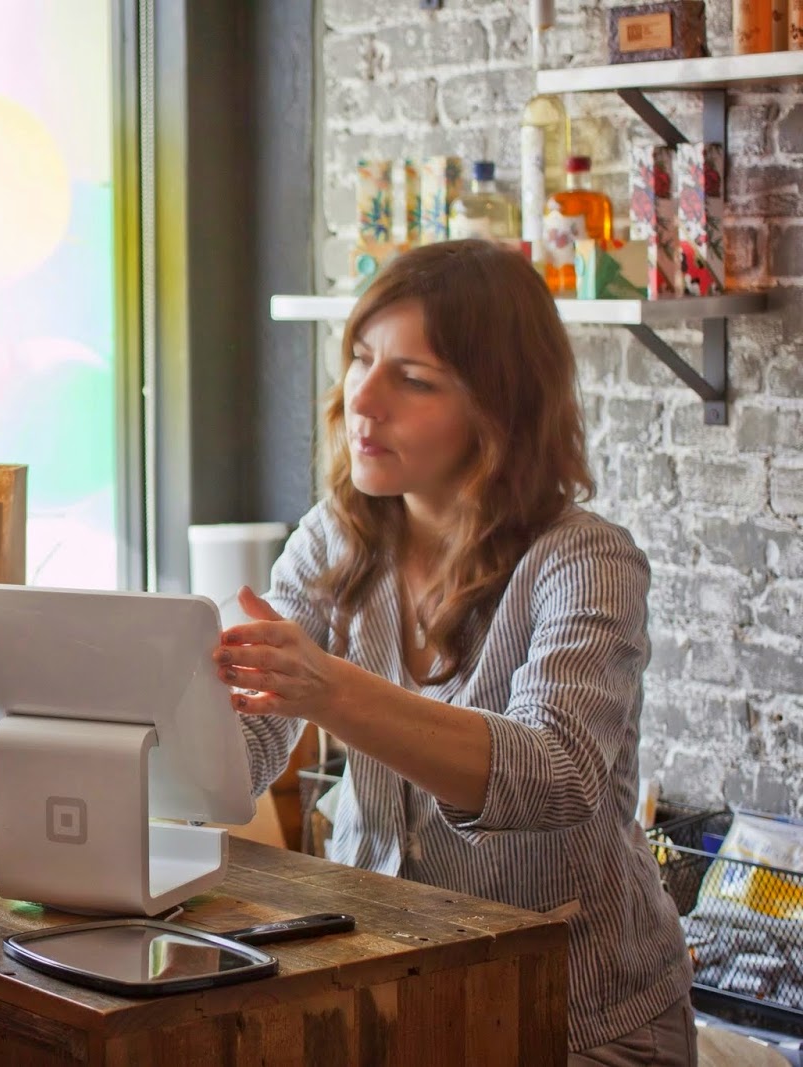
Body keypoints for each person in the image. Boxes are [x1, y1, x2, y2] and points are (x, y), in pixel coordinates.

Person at [222, 241, 696, 1064]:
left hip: (579, 1024)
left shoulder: (586, 559)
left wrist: (329, 689)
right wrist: (166, 716)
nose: (360, 398)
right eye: (363, 358)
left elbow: (554, 774)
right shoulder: (333, 536)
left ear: (499, 409)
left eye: (414, 379)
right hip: (382, 999)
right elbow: (247, 746)